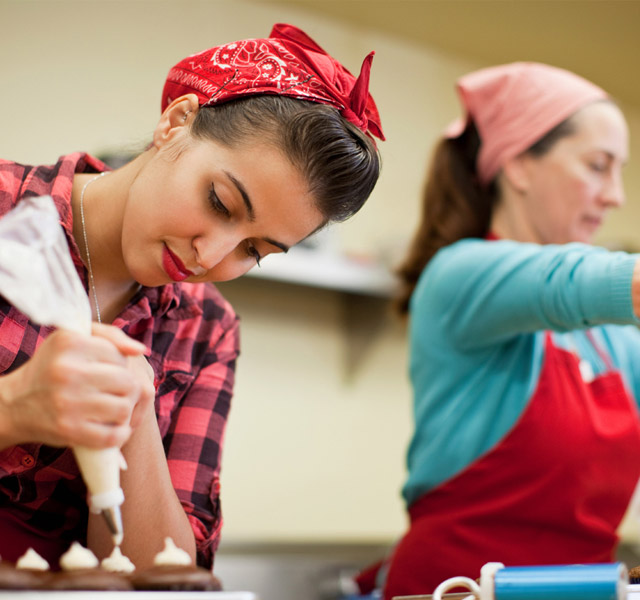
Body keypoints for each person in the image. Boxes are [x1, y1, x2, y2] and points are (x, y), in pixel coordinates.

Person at [365, 62, 640, 599]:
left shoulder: (603, 338)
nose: (615, 195)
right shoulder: (461, 273)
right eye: (598, 165)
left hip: (584, 590)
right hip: (461, 588)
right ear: (519, 165)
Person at [0, 23, 384, 570]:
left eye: (253, 249)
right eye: (220, 202)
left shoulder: (204, 330)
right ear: (176, 121)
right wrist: (16, 408)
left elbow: (166, 574)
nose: (210, 255)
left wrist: (136, 427)